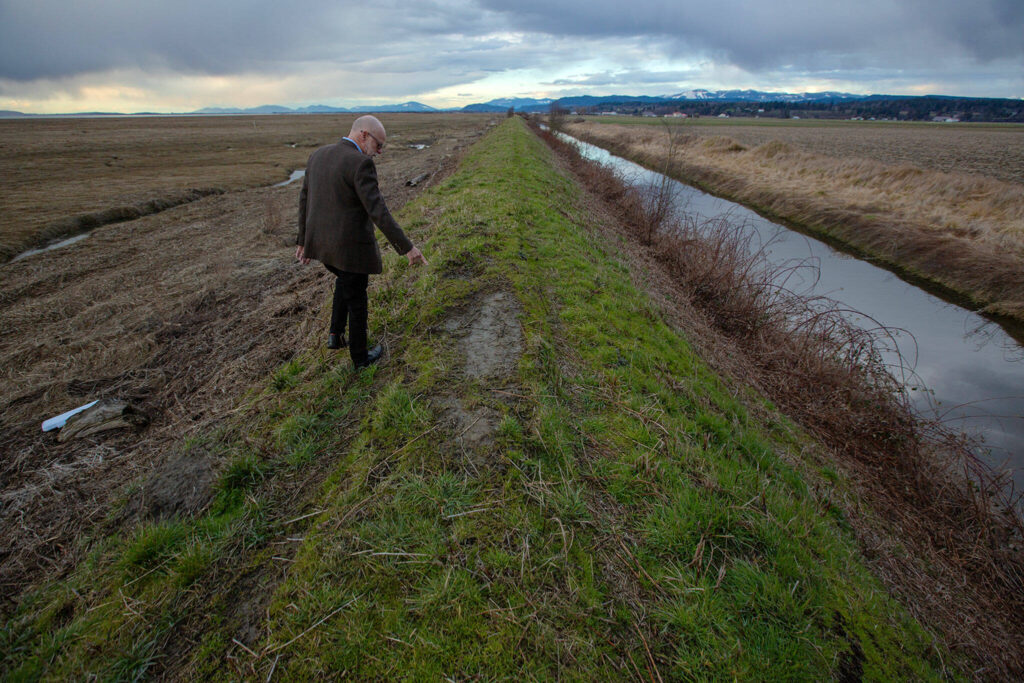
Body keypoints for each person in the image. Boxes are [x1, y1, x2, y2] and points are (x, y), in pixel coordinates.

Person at [295, 115, 427, 368]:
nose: (378, 152)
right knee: (357, 298)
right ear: (364, 135)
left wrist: (303, 240)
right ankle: (360, 358)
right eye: (378, 145)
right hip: (349, 250)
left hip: (322, 246)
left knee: (344, 281)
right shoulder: (360, 163)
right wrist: (407, 248)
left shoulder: (318, 155)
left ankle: (335, 335)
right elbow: (379, 211)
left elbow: (304, 199)